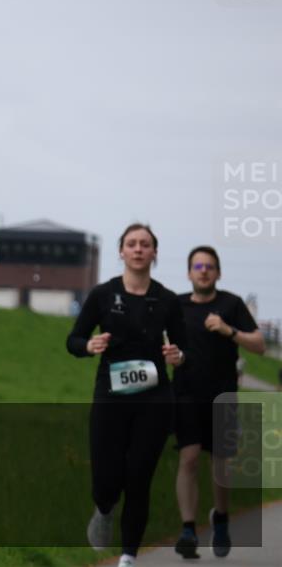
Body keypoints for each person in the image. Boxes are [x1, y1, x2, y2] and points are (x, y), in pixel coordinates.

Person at [66, 223, 189, 567]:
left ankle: (128, 556)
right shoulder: (103, 295)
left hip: (154, 400)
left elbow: (185, 349)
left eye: (145, 244)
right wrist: (88, 345)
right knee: (107, 478)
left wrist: (178, 357)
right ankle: (104, 509)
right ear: (121, 251)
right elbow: (73, 340)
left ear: (154, 253)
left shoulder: (167, 300)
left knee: (139, 476)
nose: (138, 249)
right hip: (111, 396)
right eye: (131, 244)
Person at [172, 246, 264, 560]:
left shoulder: (231, 304)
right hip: (186, 393)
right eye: (197, 265)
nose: (203, 270)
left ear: (218, 273)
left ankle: (221, 519)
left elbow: (260, 345)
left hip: (223, 394)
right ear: (188, 272)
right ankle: (187, 530)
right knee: (189, 457)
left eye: (209, 266)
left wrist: (229, 330)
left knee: (221, 464)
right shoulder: (178, 306)